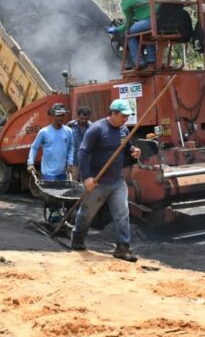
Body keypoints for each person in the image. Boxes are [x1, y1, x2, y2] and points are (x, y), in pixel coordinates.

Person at [71, 99, 142, 263]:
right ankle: (78, 240)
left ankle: (123, 249)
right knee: (87, 213)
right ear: (113, 113)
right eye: (123, 116)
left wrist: (134, 151)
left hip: (117, 181)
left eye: (127, 116)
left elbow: (126, 148)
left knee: (122, 214)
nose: (126, 119)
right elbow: (83, 152)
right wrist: (87, 177)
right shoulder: (97, 129)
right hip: (97, 181)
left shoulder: (124, 130)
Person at [107, 0, 160, 70]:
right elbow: (145, 9)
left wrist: (116, 30)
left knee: (128, 33)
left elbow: (128, 23)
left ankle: (139, 62)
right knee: (147, 33)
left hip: (150, 22)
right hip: (163, 19)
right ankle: (152, 60)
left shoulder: (126, 3)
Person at [27, 103, 74, 182]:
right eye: (58, 115)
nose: (61, 118)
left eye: (62, 115)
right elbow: (34, 147)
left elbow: (70, 147)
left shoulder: (68, 131)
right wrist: (30, 163)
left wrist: (70, 162)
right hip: (48, 174)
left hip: (62, 173)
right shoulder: (44, 132)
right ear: (52, 115)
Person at [67, 105, 92, 181]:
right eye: (81, 118)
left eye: (86, 119)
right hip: (73, 162)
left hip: (87, 162)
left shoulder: (92, 127)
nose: (84, 121)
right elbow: (66, 143)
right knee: (72, 184)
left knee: (85, 184)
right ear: (77, 116)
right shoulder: (70, 126)